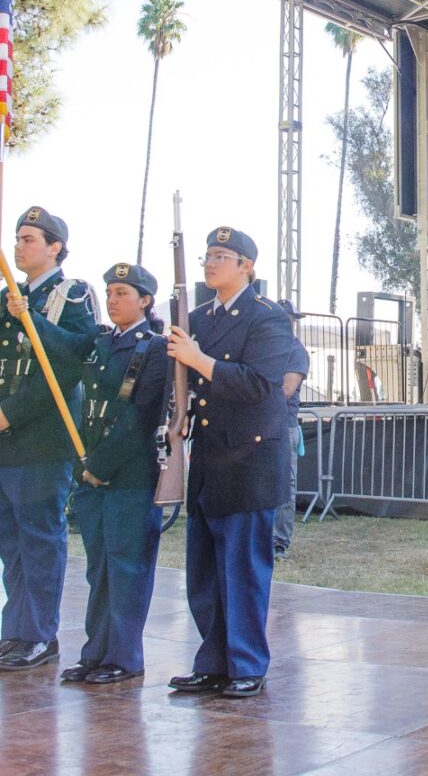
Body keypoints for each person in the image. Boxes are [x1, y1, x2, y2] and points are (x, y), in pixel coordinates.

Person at [167, 227, 293, 698]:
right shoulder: (197, 316)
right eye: (207, 255)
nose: (210, 262)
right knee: (205, 572)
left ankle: (246, 664)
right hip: (209, 457)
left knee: (243, 571)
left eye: (222, 255)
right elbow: (182, 381)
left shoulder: (267, 318)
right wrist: (176, 415)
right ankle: (213, 661)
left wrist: (199, 359)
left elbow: (260, 385)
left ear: (247, 266)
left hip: (249, 458)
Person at [0, 207, 98, 672]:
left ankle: (40, 634)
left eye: (29, 239)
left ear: (55, 246)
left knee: (39, 536)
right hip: (5, 438)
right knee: (10, 540)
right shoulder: (10, 296)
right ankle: (14, 630)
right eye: (17, 239)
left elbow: (73, 360)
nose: (19, 247)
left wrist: (9, 414)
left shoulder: (72, 295)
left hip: (42, 436)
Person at [61, 263, 169, 685]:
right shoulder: (100, 343)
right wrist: (84, 466)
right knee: (99, 567)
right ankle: (96, 652)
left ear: (145, 300)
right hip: (91, 473)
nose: (112, 300)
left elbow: (139, 418)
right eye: (109, 292)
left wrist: (100, 466)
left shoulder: (154, 348)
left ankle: (124, 657)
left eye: (122, 292)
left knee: (127, 568)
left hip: (129, 475)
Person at [273, 299, 310, 561]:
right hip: (262, 424)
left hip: (284, 425)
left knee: (285, 486)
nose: (289, 323)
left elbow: (286, 390)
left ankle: (279, 543)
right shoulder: (265, 347)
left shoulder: (296, 351)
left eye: (291, 319)